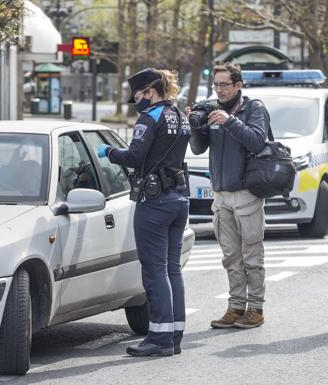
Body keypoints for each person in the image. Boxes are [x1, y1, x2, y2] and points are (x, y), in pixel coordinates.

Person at [98, 68, 191, 357]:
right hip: (179, 198)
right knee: (172, 269)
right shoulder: (180, 116)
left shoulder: (149, 117)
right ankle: (174, 335)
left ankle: (159, 338)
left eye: (137, 95)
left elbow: (135, 156)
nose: (136, 100)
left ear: (149, 91)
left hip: (155, 202)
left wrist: (109, 152)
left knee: (154, 271)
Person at [187, 62, 269, 329]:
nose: (219, 90)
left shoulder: (253, 109)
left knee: (251, 255)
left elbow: (257, 141)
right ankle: (236, 307)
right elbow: (199, 149)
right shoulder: (212, 110)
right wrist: (195, 127)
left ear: (238, 85)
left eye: (224, 85)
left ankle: (255, 308)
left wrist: (230, 121)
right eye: (216, 85)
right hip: (220, 194)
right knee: (230, 256)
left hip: (247, 193)